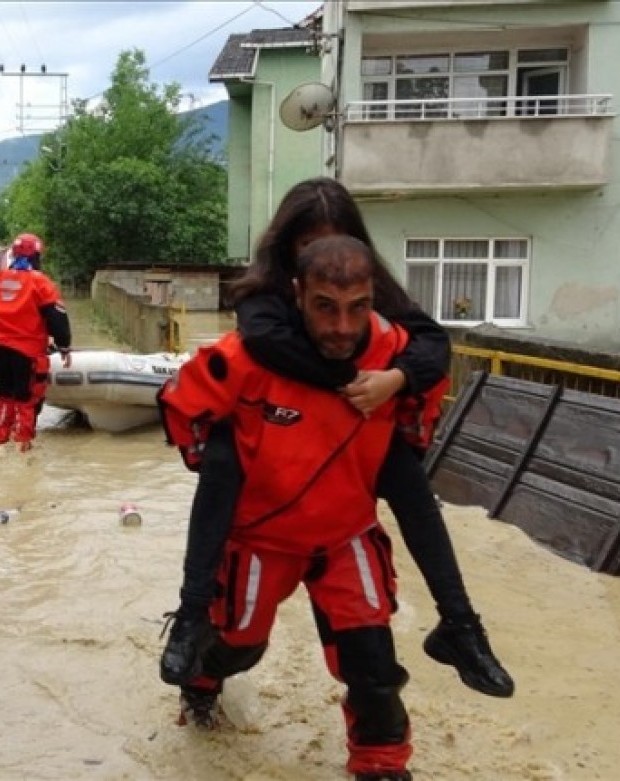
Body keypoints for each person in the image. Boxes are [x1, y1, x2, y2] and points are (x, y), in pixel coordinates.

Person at [159, 178, 513, 701]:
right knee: (224, 466)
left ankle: (459, 625)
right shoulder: (259, 316)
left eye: (339, 243)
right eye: (309, 249)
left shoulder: (379, 313)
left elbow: (434, 345)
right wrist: (344, 382)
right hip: (270, 464)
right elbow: (208, 384)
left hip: (351, 467)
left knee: (372, 661)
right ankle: (194, 623)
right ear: (294, 273)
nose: (327, 257)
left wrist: (393, 379)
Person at [159, 235, 426, 780]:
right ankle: (201, 684)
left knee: (374, 667)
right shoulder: (244, 360)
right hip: (260, 539)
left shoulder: (394, 356)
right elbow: (180, 407)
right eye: (326, 307)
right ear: (299, 295)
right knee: (239, 647)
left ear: (375, 298)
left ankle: (381, 766)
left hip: (347, 535)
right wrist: (220, 465)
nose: (342, 329)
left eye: (358, 309)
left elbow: (425, 396)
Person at [0, 232, 71, 451]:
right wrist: (64, 346)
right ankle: (23, 450)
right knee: (26, 402)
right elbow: (57, 318)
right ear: (37, 256)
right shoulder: (40, 282)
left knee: (3, 398)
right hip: (27, 352)